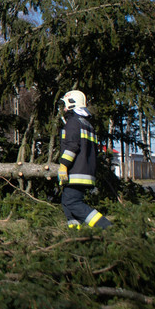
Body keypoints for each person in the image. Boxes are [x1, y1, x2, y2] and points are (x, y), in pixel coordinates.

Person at [57, 90, 112, 229]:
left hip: (76, 171)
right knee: (66, 202)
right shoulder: (87, 124)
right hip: (86, 171)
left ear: (71, 104)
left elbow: (72, 147)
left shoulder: (73, 123)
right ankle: (76, 233)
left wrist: (63, 165)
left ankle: (105, 226)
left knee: (72, 202)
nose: (63, 108)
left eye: (65, 104)